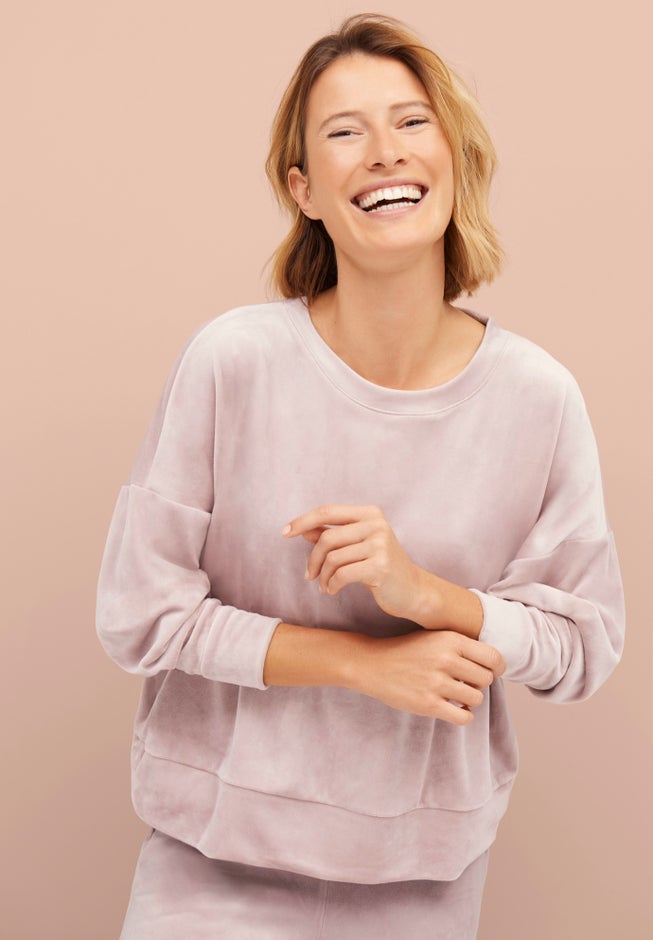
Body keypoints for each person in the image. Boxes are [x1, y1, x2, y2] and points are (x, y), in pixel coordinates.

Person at [96, 13, 625, 939]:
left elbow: (582, 644)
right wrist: (362, 664)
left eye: (411, 122)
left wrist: (427, 595)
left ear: (455, 158)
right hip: (210, 862)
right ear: (302, 188)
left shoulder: (537, 398)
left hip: (422, 878)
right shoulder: (231, 362)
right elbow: (141, 614)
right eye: (345, 131)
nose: (385, 151)